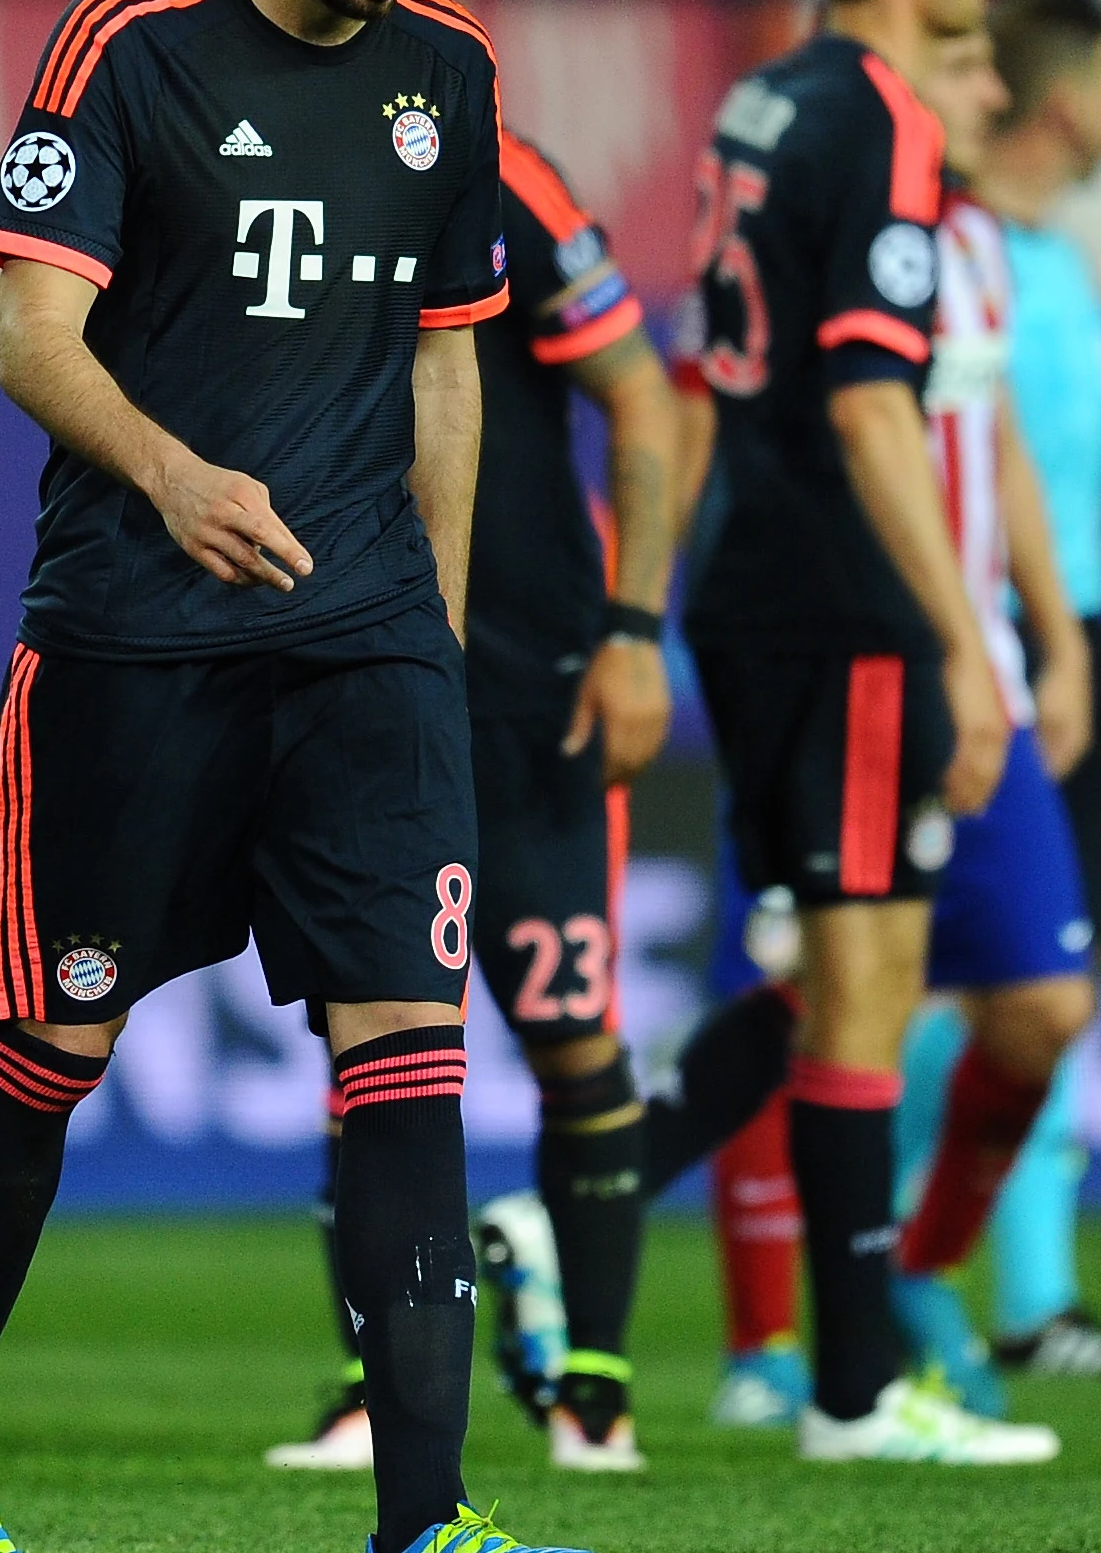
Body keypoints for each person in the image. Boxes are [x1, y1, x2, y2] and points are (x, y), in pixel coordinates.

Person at [0, 0, 582, 1553]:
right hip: (131, 637)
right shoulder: (129, 41)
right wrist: (175, 477)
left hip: (361, 643)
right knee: (54, 1048)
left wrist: (427, 622)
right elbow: (38, 337)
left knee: (410, 1052)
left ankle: (426, 1522)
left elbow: (449, 361)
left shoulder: (450, 69)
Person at [678, 0, 1061, 1466]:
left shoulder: (764, 97)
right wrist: (961, 632)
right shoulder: (891, 123)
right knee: (862, 979)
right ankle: (852, 1387)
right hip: (839, 603)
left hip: (750, 582)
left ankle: (607, 1203)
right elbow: (868, 400)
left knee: (839, 968)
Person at [262, 128, 683, 1477]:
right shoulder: (266, 155)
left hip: (532, 687)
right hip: (365, 668)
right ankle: (370, 1384)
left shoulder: (497, 165)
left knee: (572, 1030)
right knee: (371, 1031)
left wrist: (632, 628)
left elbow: (646, 398)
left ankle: (599, 1392)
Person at [930, 0, 1101, 1383]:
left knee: (1059, 974)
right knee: (974, 978)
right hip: (987, 642)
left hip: (1079, 630)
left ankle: (1033, 1296)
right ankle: (916, 1275)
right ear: (1067, 95)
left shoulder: (1057, 265)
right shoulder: (969, 257)